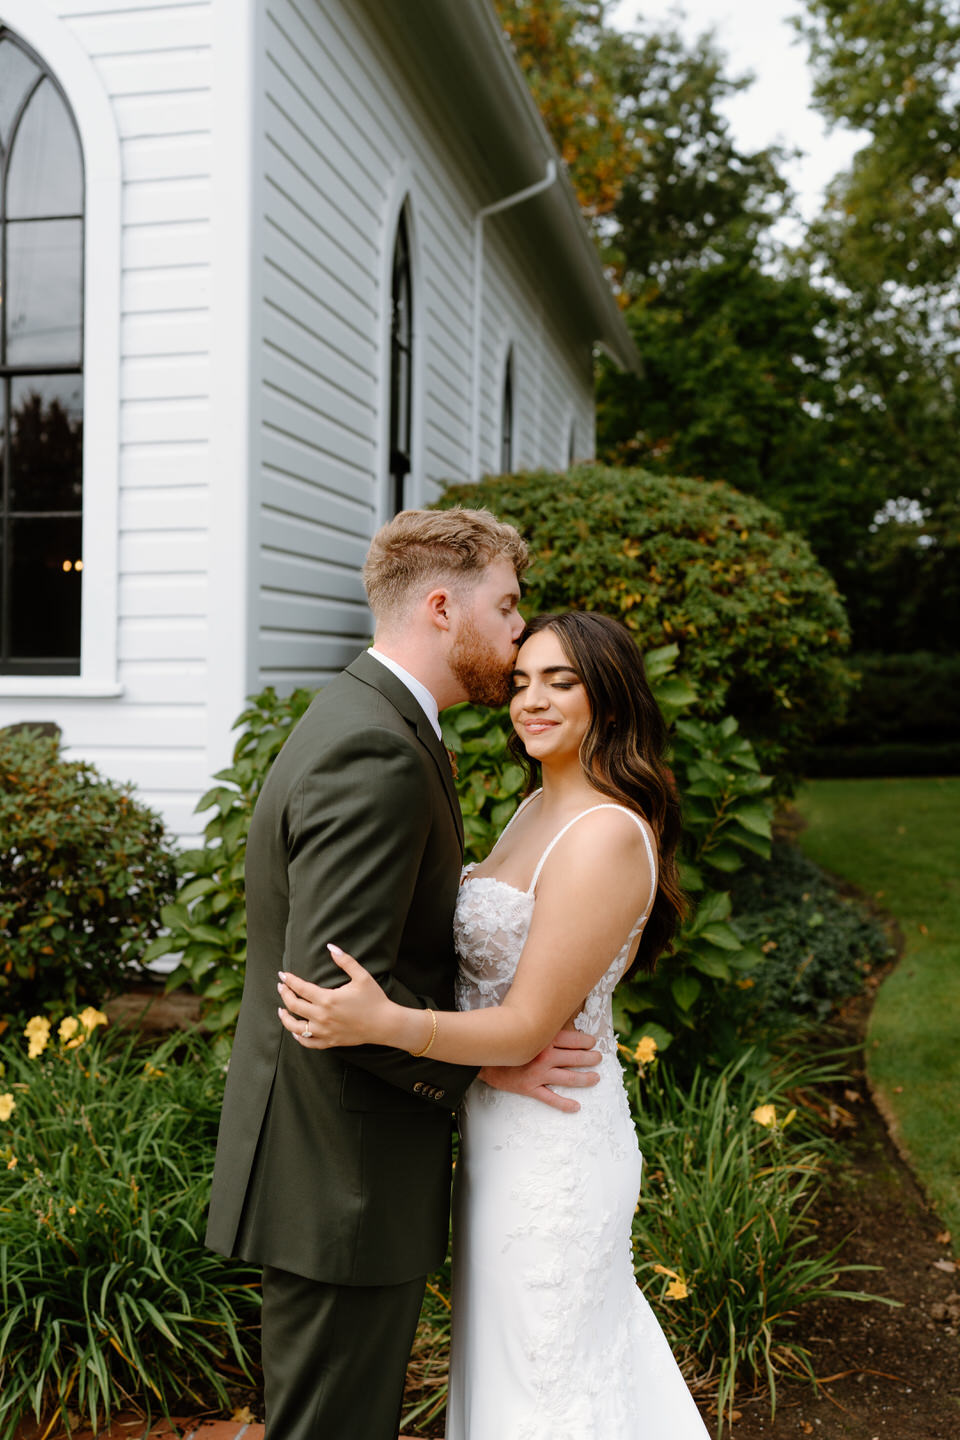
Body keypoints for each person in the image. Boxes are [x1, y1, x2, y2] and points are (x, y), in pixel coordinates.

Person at [205, 512, 604, 1440]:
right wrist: (481, 1068)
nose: (517, 635)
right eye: (506, 608)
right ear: (440, 607)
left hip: (333, 1164)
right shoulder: (378, 750)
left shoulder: (367, 718)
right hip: (342, 1176)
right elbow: (331, 998)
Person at [278, 609, 712, 1439]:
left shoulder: (606, 835)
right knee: (511, 1370)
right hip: (497, 1132)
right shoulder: (530, 812)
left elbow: (522, 1027)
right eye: (520, 682)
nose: (530, 701)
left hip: (554, 1145)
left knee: (550, 1382)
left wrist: (388, 1021)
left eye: (560, 682)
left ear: (611, 702)